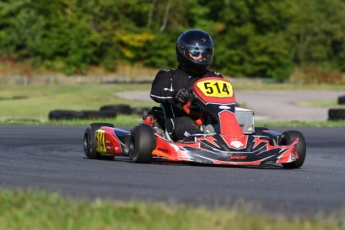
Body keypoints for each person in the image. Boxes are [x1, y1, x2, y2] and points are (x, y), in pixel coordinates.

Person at [150, 30, 223, 141]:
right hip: (179, 119)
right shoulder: (168, 75)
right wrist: (175, 95)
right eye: (195, 52)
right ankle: (202, 140)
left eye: (205, 53)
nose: (201, 57)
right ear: (183, 52)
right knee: (185, 123)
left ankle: (239, 140)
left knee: (237, 120)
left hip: (209, 119)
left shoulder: (214, 77)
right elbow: (156, 92)